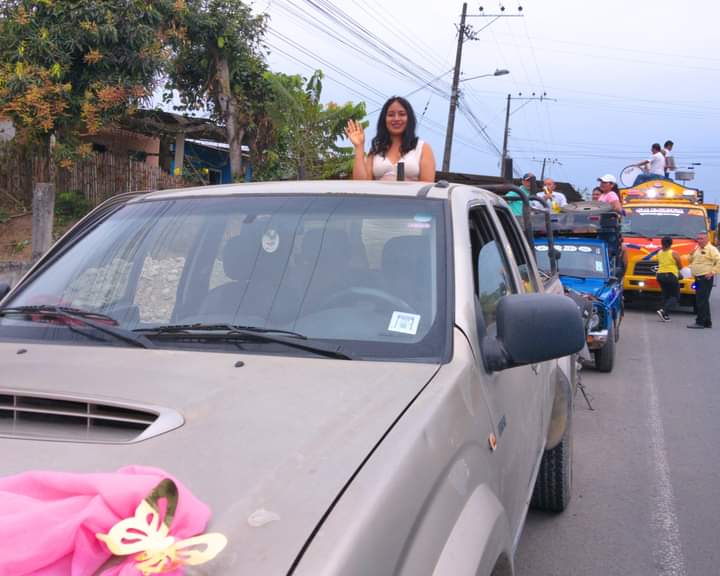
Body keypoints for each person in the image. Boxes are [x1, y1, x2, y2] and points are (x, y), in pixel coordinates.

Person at [345, 96, 436, 182]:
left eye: (402, 114)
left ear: (409, 118)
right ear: (384, 119)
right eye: (391, 115)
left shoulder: (423, 148)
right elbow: (361, 184)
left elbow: (427, 187)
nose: (396, 119)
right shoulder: (376, 149)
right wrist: (359, 147)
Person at [687, 232, 720, 329]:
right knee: (704, 300)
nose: (699, 240)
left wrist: (713, 272)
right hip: (697, 278)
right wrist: (691, 254)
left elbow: (719, 261)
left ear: (707, 239)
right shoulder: (697, 249)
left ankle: (700, 322)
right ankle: (707, 322)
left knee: (700, 301)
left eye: (701, 239)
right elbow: (690, 260)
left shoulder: (711, 249)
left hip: (705, 278)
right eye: (698, 238)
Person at [655, 236, 682, 322]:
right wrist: (679, 271)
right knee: (675, 296)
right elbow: (680, 265)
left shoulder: (659, 252)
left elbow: (659, 262)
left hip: (660, 275)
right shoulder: (673, 253)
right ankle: (663, 310)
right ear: (671, 244)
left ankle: (664, 315)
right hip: (670, 276)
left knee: (665, 294)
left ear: (662, 243)